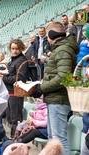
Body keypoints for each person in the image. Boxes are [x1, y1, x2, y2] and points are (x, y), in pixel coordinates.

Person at [33, 21, 79, 155]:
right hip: (55, 99)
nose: (47, 39)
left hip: (59, 101)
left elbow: (63, 77)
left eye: (47, 35)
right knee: (53, 140)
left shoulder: (62, 50)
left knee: (59, 140)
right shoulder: (60, 49)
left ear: (52, 34)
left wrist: (42, 88)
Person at [0, 39, 28, 138]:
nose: (15, 51)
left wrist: (4, 78)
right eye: (13, 49)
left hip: (16, 93)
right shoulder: (14, 59)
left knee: (16, 119)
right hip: (9, 93)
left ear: (21, 49)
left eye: (17, 49)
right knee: (10, 118)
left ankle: (15, 140)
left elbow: (19, 78)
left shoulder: (22, 61)